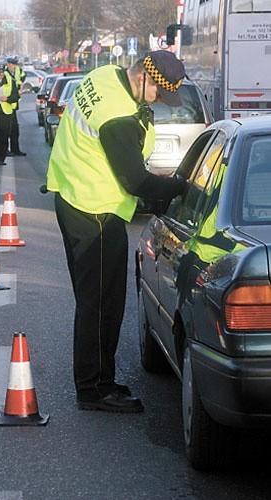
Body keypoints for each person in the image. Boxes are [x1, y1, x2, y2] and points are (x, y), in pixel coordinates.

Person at [46, 50, 188, 413]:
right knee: (101, 303)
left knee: (95, 299)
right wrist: (179, 187)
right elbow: (136, 180)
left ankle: (96, 379)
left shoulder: (106, 73)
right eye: (159, 92)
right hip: (94, 208)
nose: (161, 102)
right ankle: (94, 389)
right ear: (143, 77)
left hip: (72, 192)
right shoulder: (117, 116)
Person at [5, 57, 27, 157]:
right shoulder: (4, 74)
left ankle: (15, 149)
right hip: (5, 105)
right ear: (8, 64)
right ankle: (4, 150)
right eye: (12, 64)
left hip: (13, 104)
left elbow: (22, 77)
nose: (13, 66)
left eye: (15, 64)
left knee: (15, 130)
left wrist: (20, 89)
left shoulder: (18, 71)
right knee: (6, 129)